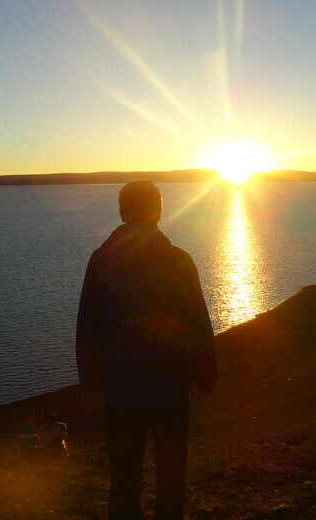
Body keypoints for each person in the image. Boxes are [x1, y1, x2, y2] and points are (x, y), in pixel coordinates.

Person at [77, 180, 217, 520]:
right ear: (158, 211)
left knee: (124, 477)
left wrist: (90, 375)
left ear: (122, 212)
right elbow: (197, 320)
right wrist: (205, 372)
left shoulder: (101, 261)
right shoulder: (178, 260)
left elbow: (87, 322)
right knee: (171, 475)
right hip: (170, 387)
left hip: (120, 389)